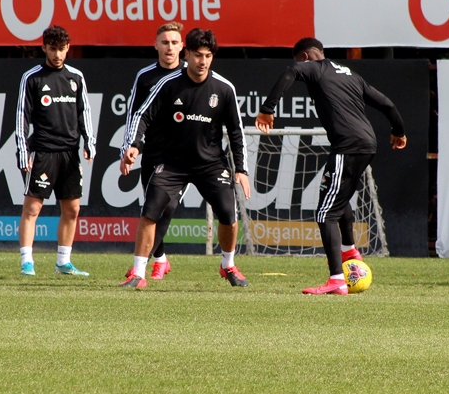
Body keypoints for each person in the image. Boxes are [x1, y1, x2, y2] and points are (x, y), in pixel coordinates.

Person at [256, 38, 406, 295]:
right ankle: (349, 252)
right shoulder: (351, 75)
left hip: (348, 146)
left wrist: (267, 109)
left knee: (325, 214)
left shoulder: (315, 68)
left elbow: (290, 72)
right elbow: (386, 103)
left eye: (300, 62)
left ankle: (337, 279)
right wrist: (399, 131)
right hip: (366, 144)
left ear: (305, 57)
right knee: (336, 199)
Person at [119, 28, 251, 289]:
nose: (203, 61)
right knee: (151, 211)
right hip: (172, 163)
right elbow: (142, 115)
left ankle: (228, 265)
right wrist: (134, 145)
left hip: (211, 164)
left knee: (228, 213)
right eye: (198, 55)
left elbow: (236, 131)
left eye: (208, 56)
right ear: (187, 54)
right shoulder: (168, 84)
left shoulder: (224, 88)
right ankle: (138, 274)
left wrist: (241, 169)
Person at [15, 25, 95, 277]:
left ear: (68, 48)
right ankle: (27, 262)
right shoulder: (32, 78)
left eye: (61, 49)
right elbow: (21, 116)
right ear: (44, 48)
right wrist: (22, 150)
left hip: (70, 153)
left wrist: (89, 141)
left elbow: (84, 112)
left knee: (72, 210)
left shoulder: (76, 77)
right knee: (32, 209)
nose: (57, 55)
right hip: (43, 152)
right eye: (52, 49)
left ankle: (63, 262)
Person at [120, 22, 185, 280]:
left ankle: (142, 264)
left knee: (167, 206)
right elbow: (134, 114)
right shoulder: (145, 76)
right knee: (152, 208)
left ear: (182, 46)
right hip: (153, 152)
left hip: (181, 156)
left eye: (174, 42)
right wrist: (130, 147)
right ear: (155, 45)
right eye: (165, 42)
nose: (169, 47)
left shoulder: (190, 74)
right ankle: (161, 259)